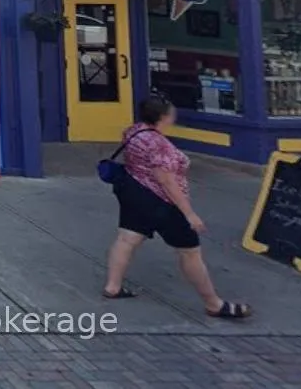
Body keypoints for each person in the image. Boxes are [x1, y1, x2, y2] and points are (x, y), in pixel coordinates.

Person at [102, 93, 252, 320]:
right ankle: (213, 303)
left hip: (134, 191)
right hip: (162, 201)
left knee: (127, 238)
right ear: (164, 117)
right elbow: (166, 181)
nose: (175, 115)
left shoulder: (134, 131)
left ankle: (112, 286)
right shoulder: (160, 145)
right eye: (172, 112)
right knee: (189, 251)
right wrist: (189, 213)